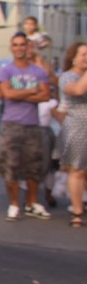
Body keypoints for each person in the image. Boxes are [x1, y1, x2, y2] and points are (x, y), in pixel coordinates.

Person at [0, 32, 52, 221]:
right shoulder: (6, 70)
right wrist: (31, 90)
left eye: (22, 45)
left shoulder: (38, 71)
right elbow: (7, 95)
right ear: (11, 48)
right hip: (12, 124)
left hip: (33, 124)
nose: (19, 48)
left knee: (34, 166)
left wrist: (19, 93)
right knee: (11, 166)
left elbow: (45, 95)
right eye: (16, 45)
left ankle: (32, 202)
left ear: (28, 47)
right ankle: (14, 204)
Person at [59, 42, 87, 227]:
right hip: (77, 127)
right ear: (74, 57)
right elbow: (78, 90)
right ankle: (76, 210)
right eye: (84, 54)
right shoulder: (67, 76)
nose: (86, 58)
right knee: (77, 169)